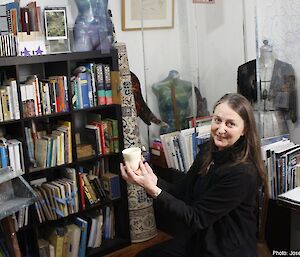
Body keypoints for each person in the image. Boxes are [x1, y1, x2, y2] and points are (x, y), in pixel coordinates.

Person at [120, 93, 268, 257]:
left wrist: (153, 190)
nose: (220, 129)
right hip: (200, 239)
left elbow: (196, 218)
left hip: (226, 249)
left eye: (230, 124)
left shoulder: (243, 173)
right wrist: (152, 181)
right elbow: (182, 192)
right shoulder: (208, 151)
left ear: (244, 130)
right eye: (217, 120)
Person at [237, 40, 297, 138]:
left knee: (278, 149)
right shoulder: (245, 69)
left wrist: (293, 115)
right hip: (253, 119)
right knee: (253, 150)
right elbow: (240, 99)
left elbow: (292, 98)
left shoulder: (285, 68)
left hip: (277, 119)